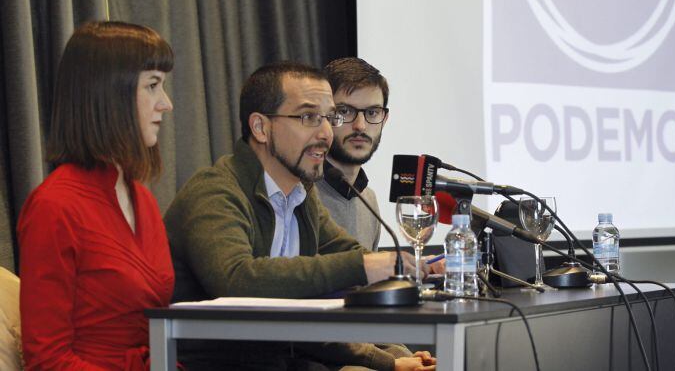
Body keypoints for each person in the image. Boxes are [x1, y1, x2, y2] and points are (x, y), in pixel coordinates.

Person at [165, 61, 435, 370]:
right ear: (260, 128)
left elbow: (347, 255)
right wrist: (363, 266)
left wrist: (419, 270)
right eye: (308, 117)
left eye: (328, 117)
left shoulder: (301, 195)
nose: (325, 133)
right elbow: (237, 280)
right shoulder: (215, 190)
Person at [17, 21, 175, 370]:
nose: (166, 104)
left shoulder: (143, 200)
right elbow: (47, 359)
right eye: (153, 86)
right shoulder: (54, 207)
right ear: (107, 95)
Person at [316, 57, 389, 251]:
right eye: (346, 111)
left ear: (384, 119)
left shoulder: (368, 200)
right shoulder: (298, 195)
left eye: (372, 113)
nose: (360, 126)